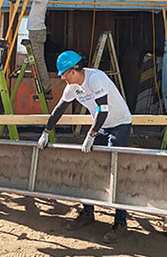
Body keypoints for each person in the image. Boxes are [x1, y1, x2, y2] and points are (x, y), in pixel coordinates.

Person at [37, 50, 132, 244]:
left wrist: (91, 135)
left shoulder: (96, 78)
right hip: (101, 125)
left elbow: (103, 110)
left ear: (74, 70)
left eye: (64, 74)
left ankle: (120, 222)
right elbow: (58, 110)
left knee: (115, 169)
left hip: (119, 124)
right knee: (88, 167)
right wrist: (46, 132)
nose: (63, 78)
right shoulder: (72, 87)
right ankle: (88, 212)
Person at [26, 0, 54, 101]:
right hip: (35, 31)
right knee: (37, 61)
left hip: (36, 32)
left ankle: (46, 90)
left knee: (39, 62)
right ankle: (44, 89)